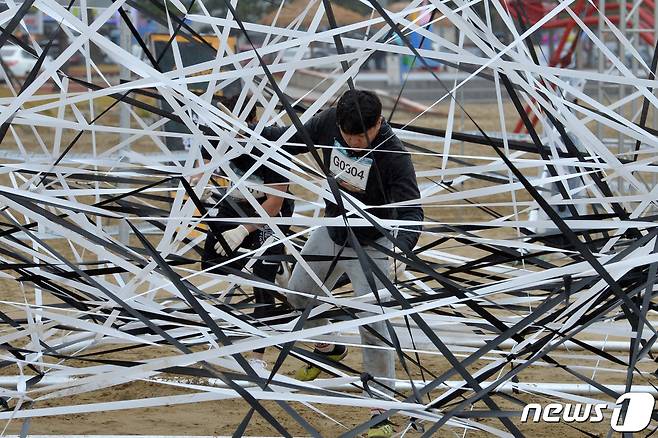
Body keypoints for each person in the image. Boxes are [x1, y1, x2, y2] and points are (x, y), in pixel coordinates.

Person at [259, 89, 423, 438]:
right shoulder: (331, 123)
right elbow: (291, 140)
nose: (353, 144)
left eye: (361, 137)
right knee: (298, 297)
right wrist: (248, 130)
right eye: (347, 138)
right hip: (332, 231)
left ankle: (380, 411)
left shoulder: (395, 155)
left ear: (379, 122)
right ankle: (330, 346)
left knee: (375, 329)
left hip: (375, 247)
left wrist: (400, 252)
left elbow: (412, 213)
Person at [199, 94, 293, 371]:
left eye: (237, 125)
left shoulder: (272, 148)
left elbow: (274, 204)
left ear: (252, 121)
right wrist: (202, 184)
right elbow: (201, 166)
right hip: (235, 205)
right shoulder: (220, 137)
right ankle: (222, 336)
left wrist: (244, 230)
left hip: (270, 214)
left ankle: (257, 357)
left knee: (261, 279)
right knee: (213, 263)